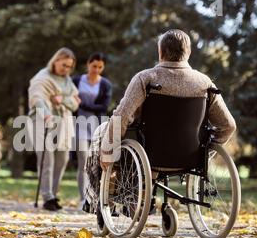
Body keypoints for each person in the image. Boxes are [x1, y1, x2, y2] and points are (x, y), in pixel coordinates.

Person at [100, 29, 237, 172]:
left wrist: (108, 151)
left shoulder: (146, 78)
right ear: (188, 53)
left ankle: (111, 188)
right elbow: (228, 126)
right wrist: (206, 153)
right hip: (190, 158)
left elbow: (122, 116)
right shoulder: (205, 83)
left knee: (105, 131)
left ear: (161, 52)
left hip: (147, 159)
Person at [28, 47, 81, 211]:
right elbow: (37, 98)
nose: (66, 69)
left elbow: (75, 102)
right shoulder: (42, 77)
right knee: (47, 160)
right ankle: (47, 196)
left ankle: (54, 193)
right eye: (64, 65)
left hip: (64, 122)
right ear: (56, 60)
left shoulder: (67, 81)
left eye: (69, 67)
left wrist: (62, 100)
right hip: (42, 121)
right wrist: (46, 115)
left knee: (62, 159)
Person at [72, 52, 112, 209]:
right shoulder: (76, 81)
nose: (96, 69)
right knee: (83, 161)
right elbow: (70, 100)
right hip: (78, 125)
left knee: (95, 163)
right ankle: (84, 199)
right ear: (88, 64)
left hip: (96, 125)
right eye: (94, 66)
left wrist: (82, 105)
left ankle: (95, 195)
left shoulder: (105, 84)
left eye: (100, 67)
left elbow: (104, 106)